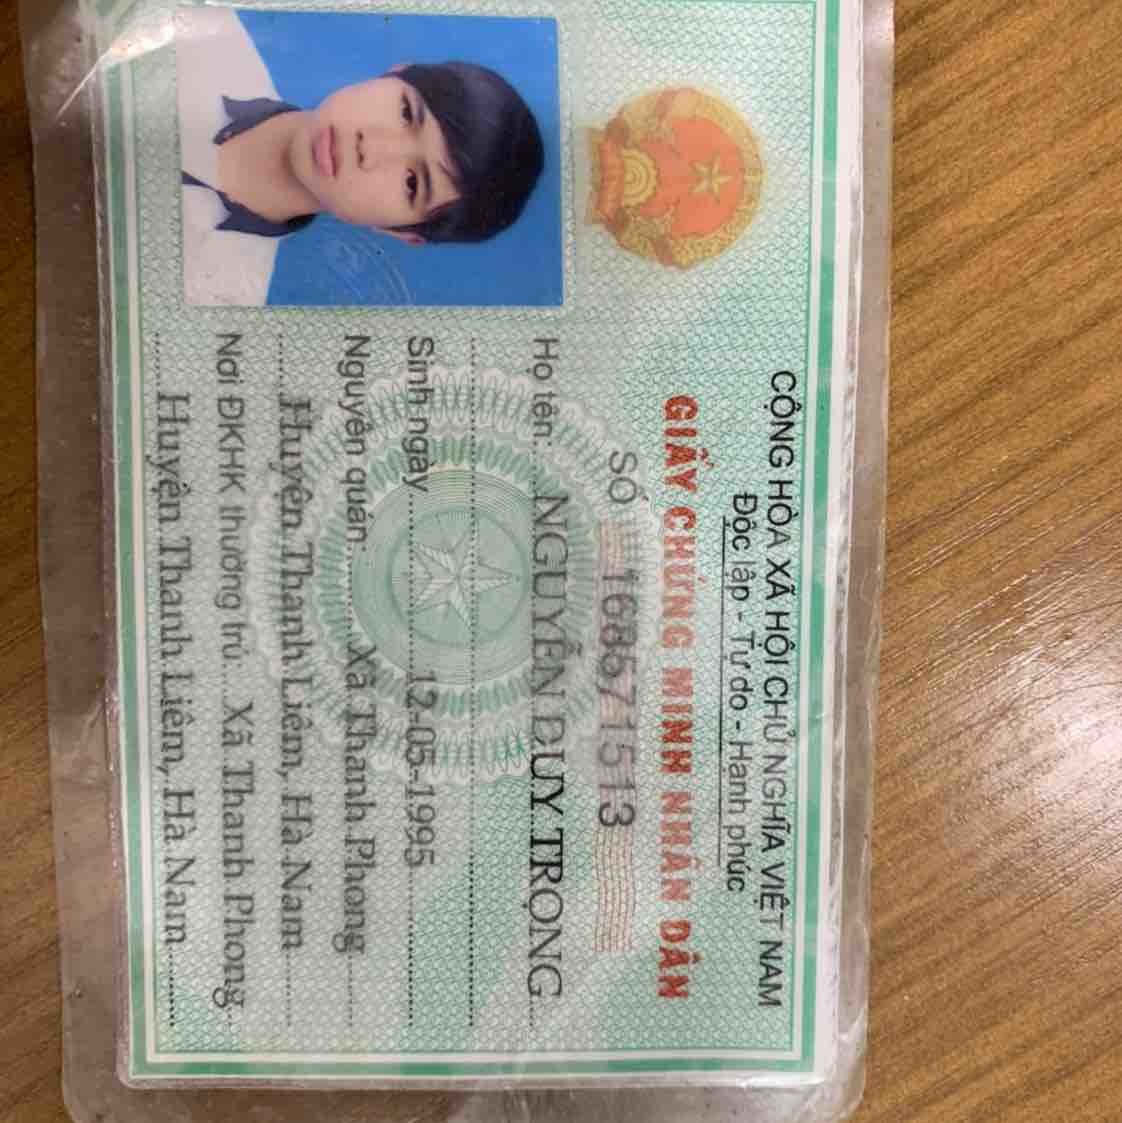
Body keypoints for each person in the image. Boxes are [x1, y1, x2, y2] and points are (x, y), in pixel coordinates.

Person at [176, 8, 545, 306]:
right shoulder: (201, 40)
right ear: (397, 72)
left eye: (412, 183)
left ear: (402, 234)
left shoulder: (221, 294)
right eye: (406, 112)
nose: (371, 148)